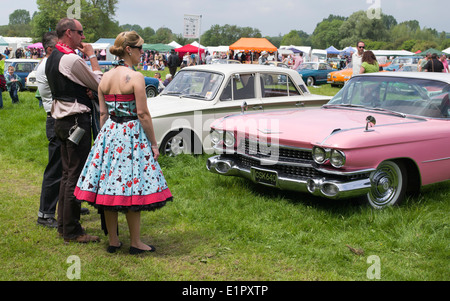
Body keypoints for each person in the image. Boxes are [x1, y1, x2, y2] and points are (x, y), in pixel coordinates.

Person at [74, 31, 173, 255]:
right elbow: (143, 114)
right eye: (140, 49)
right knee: (132, 185)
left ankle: (113, 240)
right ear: (129, 50)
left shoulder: (105, 78)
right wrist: (154, 144)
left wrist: (102, 140)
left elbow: (102, 114)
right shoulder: (135, 77)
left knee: (109, 185)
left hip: (109, 133)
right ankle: (136, 242)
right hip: (130, 134)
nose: (142, 53)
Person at [46, 18, 102, 243]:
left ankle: (64, 226)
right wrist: (92, 56)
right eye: (80, 32)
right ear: (69, 33)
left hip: (60, 119)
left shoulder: (52, 57)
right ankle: (71, 230)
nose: (83, 37)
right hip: (75, 121)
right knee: (74, 176)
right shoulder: (71, 59)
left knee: (67, 175)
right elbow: (100, 84)